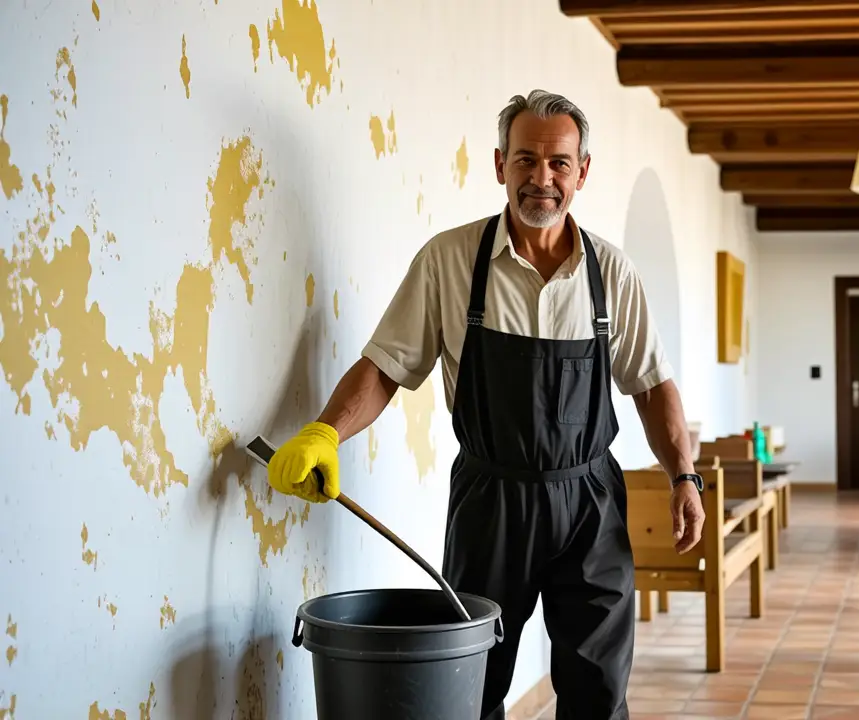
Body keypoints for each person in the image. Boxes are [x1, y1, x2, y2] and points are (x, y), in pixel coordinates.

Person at [266, 89, 706, 720]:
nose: (541, 179)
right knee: (471, 686)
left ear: (583, 171)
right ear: (500, 164)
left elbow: (651, 382)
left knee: (599, 692)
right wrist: (325, 432)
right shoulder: (450, 261)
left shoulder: (613, 273)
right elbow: (386, 367)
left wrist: (683, 476)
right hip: (489, 502)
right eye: (526, 160)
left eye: (558, 163)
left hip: (590, 507)